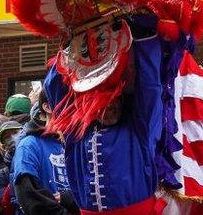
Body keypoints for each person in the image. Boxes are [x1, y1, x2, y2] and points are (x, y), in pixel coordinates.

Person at [44, 16, 175, 212]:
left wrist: (140, 36)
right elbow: (54, 90)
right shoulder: (77, 135)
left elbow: (150, 88)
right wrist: (72, 46)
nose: (111, 107)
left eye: (115, 102)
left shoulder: (139, 129)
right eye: (104, 104)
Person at [11, 90, 77, 214]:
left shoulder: (75, 144)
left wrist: (67, 199)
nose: (72, 107)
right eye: (65, 102)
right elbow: (29, 196)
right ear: (47, 107)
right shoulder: (29, 145)